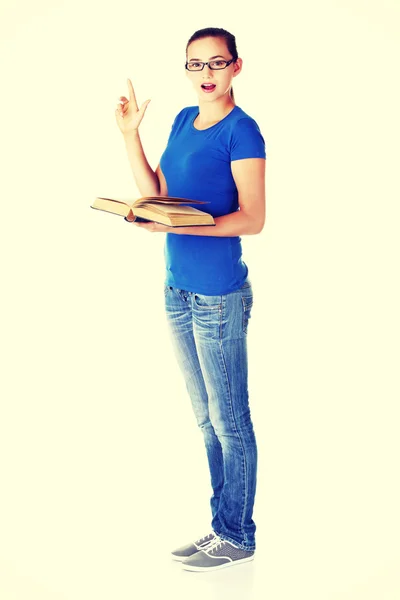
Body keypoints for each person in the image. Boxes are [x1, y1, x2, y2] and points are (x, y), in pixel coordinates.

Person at [115, 27, 266, 572]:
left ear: (236, 67)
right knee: (206, 420)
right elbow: (157, 194)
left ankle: (237, 535)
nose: (205, 74)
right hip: (177, 288)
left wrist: (180, 226)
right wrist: (131, 134)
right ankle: (219, 528)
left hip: (218, 296)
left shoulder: (242, 132)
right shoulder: (182, 120)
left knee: (231, 421)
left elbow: (253, 218)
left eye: (216, 63)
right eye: (194, 65)